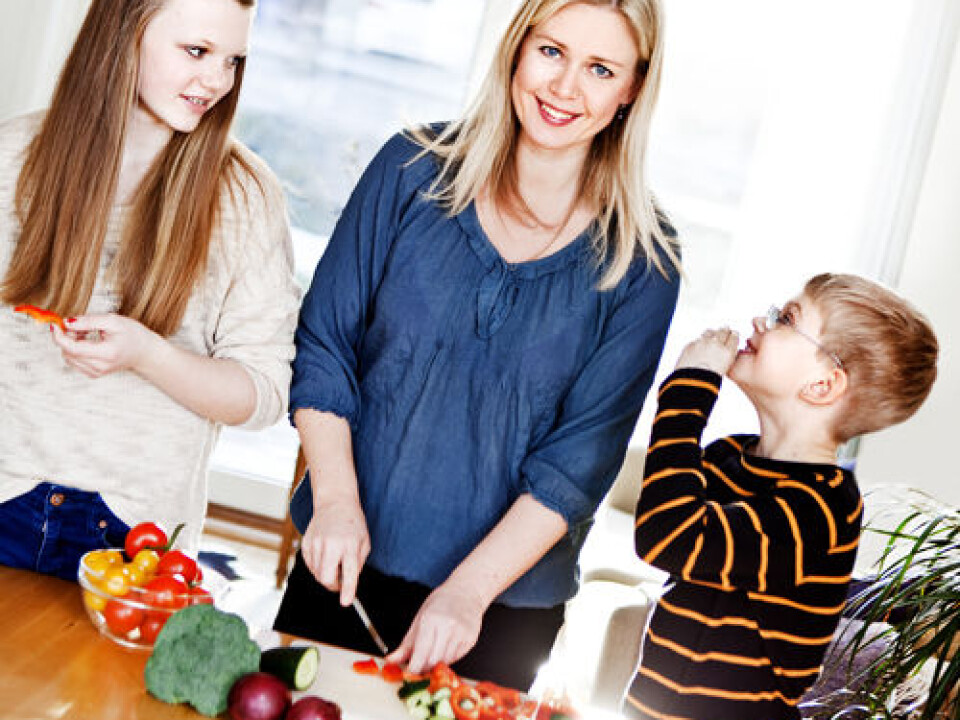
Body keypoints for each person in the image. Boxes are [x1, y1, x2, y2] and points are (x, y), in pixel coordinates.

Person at [274, 0, 681, 689]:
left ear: (631, 88)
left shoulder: (644, 262)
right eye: (551, 52)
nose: (564, 88)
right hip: (344, 563)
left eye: (600, 68)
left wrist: (467, 591)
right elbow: (323, 346)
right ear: (518, 48)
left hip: (502, 607)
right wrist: (337, 502)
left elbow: (577, 464)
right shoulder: (408, 170)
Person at [0, 0, 300, 580]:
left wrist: (146, 354)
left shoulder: (245, 197)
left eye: (233, 60)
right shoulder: (12, 158)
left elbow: (262, 394)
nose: (216, 80)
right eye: (197, 51)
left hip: (137, 535)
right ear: (123, 33)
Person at [625, 273, 939, 720]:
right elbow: (667, 519)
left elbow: (669, 536)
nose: (760, 320)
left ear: (822, 385)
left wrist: (690, 388)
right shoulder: (725, 457)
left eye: (786, 318)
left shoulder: (821, 510)